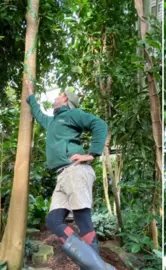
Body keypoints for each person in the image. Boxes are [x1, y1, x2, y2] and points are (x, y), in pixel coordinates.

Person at [25, 81, 112, 269]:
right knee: (53, 221)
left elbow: (100, 125)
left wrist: (92, 154)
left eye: (58, 95)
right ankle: (95, 265)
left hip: (75, 170)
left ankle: (97, 267)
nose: (55, 98)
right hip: (62, 175)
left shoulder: (72, 115)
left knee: (82, 220)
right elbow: (39, 115)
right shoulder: (53, 121)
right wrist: (31, 94)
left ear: (65, 99)